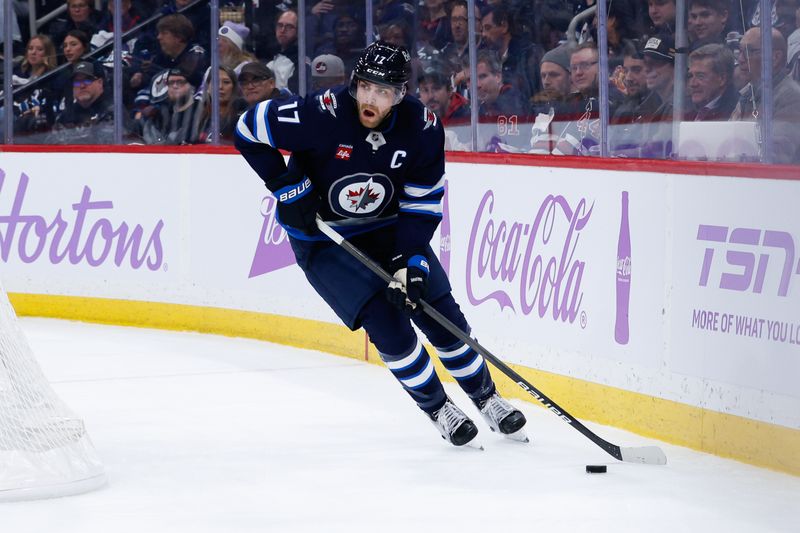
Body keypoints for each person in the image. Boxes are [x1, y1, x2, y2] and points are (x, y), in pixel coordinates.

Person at [234, 41, 527, 447]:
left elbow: (422, 202)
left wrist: (411, 261)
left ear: (400, 94)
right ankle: (438, 407)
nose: (371, 99)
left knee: (443, 319)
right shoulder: (318, 113)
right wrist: (288, 188)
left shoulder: (422, 128)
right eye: (366, 87)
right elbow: (247, 130)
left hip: (389, 228)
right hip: (326, 241)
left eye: (384, 91)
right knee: (391, 330)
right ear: (354, 83)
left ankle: (487, 398)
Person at [731, 27, 800, 163]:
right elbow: (728, 139)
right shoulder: (748, 92)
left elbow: (777, 156)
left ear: (774, 57)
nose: (741, 59)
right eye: (740, 52)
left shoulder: (792, 97)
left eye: (750, 51)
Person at [48, 60, 116, 144]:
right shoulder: (67, 114)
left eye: (87, 80)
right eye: (77, 82)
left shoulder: (113, 111)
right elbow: (51, 142)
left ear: (100, 83)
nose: (82, 85)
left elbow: (108, 145)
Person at [687, 43, 738, 120]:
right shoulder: (685, 108)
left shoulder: (737, 112)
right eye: (691, 76)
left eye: (700, 76)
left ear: (722, 79)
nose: (693, 84)